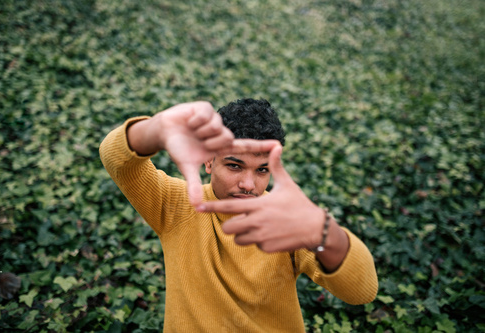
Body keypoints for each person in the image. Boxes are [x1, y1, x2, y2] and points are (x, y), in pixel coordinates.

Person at [99, 98, 378, 332]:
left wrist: (324, 232)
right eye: (234, 166)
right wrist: (155, 129)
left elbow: (361, 291)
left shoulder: (286, 220)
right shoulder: (176, 204)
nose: (248, 184)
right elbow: (115, 158)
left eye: (262, 170)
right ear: (208, 160)